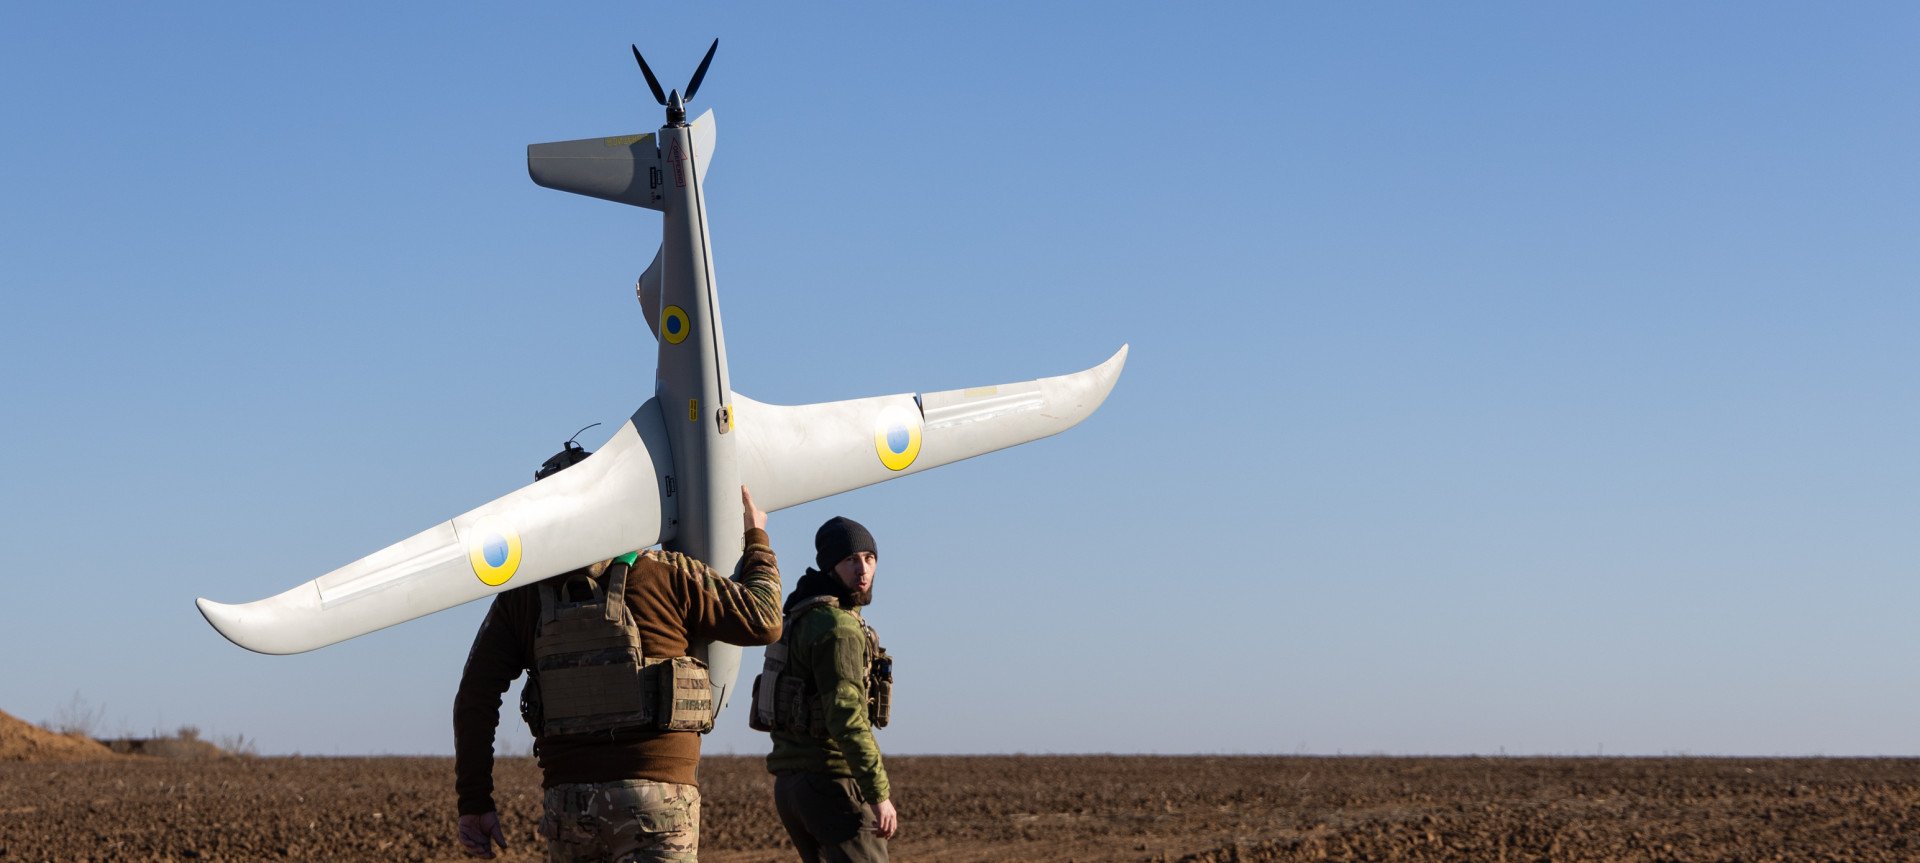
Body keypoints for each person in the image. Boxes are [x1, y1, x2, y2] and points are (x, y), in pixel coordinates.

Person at [453, 441, 782, 862]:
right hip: (658, 803)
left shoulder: (521, 599)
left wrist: (475, 802)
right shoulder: (667, 574)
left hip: (570, 806)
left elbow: (474, 697)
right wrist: (756, 537)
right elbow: (766, 618)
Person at [749, 516, 898, 863]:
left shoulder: (799, 614)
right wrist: (878, 794)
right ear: (831, 566)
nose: (863, 569)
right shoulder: (838, 627)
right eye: (850, 560)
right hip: (831, 785)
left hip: (791, 788)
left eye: (869, 558)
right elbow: (846, 717)